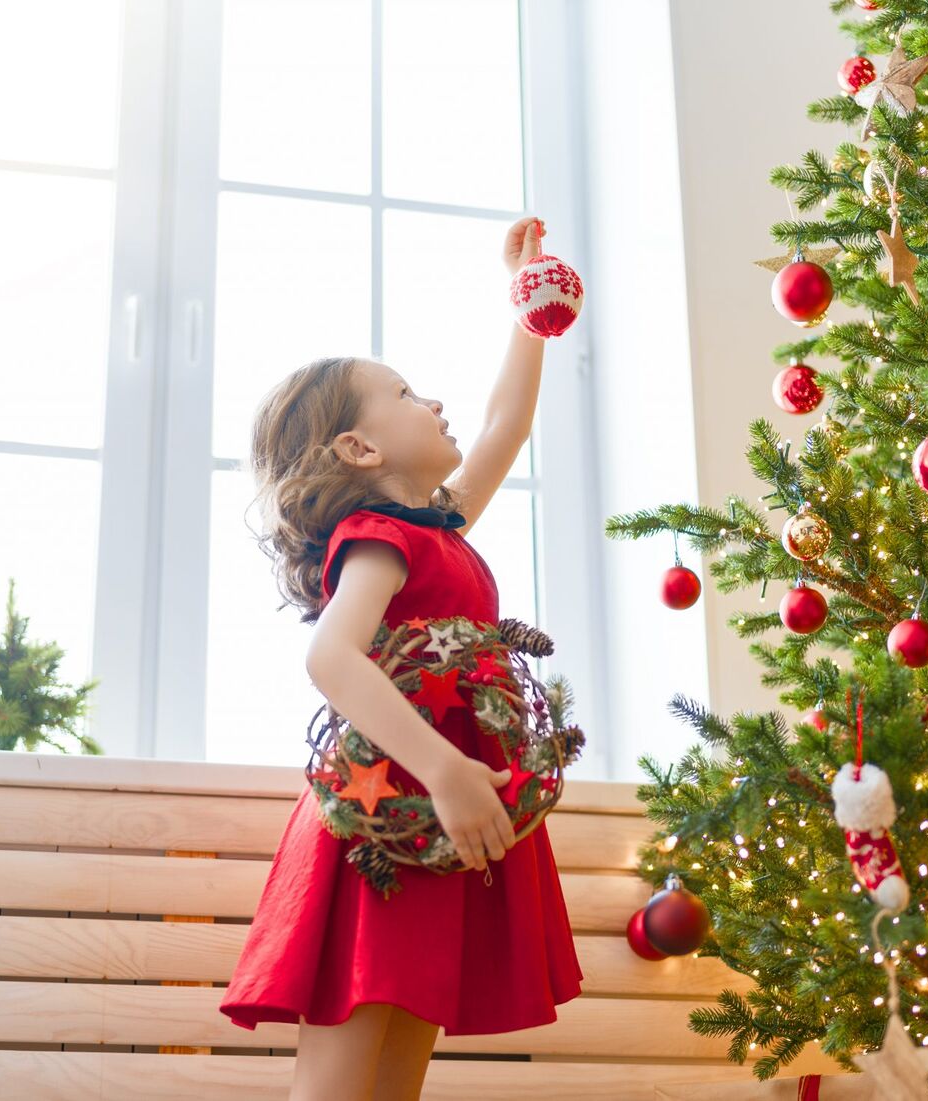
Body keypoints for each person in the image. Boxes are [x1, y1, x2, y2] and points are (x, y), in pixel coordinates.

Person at [218, 216, 583, 1101]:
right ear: (360, 448)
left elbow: (507, 421)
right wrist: (446, 769)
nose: (439, 404)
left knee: (392, 1086)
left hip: (441, 828)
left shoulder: (440, 525)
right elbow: (332, 658)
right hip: (384, 820)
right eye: (409, 393)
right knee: (341, 1087)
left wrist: (526, 299)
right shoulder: (379, 539)